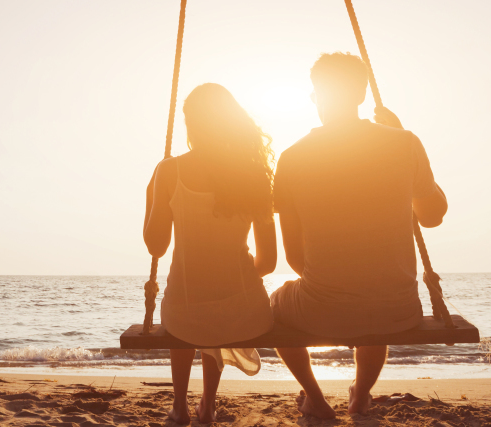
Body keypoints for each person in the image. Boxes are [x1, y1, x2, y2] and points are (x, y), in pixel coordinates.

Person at [269, 52, 448, 419]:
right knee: (375, 298)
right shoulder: (404, 142)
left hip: (323, 307)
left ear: (316, 95)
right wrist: (401, 135)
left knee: (275, 307)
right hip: (398, 311)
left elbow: (294, 258)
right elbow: (432, 217)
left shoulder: (291, 158)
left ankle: (314, 397)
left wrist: (336, 285)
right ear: (363, 93)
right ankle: (360, 394)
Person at [143, 83, 278, 425]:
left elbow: (155, 246)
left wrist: (152, 195)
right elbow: (269, 262)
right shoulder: (254, 174)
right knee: (215, 305)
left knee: (189, 309)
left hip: (185, 311)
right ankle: (208, 403)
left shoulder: (169, 172)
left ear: (191, 123)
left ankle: (179, 406)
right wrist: (236, 281)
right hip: (246, 311)